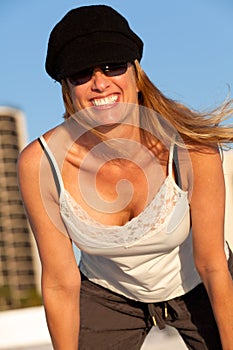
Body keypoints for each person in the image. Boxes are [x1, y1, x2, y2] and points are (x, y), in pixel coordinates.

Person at [17, 5, 233, 350]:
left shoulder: (191, 150)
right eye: (81, 74)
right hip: (108, 295)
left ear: (136, 72)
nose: (100, 83)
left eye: (112, 66)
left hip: (197, 285)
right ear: (66, 87)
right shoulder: (40, 163)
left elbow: (212, 265)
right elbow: (60, 282)